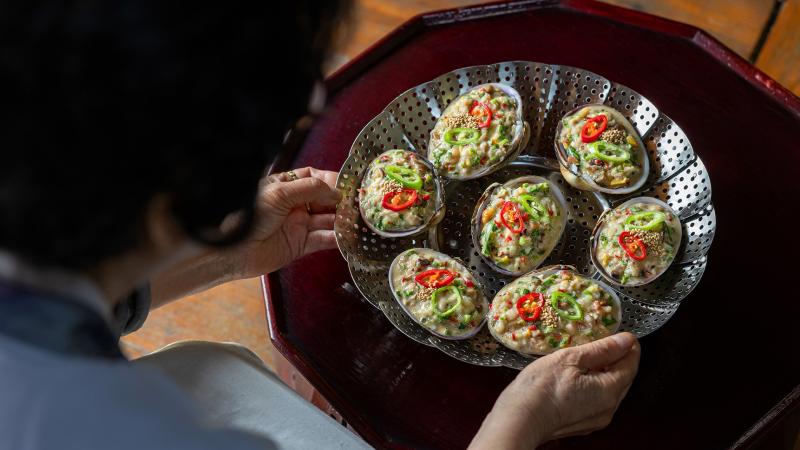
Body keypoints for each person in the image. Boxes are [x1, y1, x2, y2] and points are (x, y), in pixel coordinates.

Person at [0, 1, 640, 449]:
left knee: (212, 364)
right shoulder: (104, 425)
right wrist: (525, 418)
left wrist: (220, 258)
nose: (311, 101)